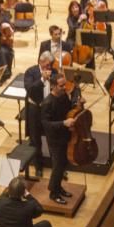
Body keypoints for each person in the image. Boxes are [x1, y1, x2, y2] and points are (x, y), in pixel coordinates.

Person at [41, 73, 78, 204]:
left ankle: (58, 187)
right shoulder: (47, 103)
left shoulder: (63, 97)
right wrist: (63, 123)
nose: (64, 87)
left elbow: (69, 110)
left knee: (63, 164)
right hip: (55, 140)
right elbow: (46, 125)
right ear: (53, 86)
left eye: (65, 84)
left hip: (65, 135)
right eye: (61, 85)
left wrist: (77, 104)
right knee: (57, 166)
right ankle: (53, 193)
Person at [24, 52, 55, 179]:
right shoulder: (31, 72)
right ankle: (38, 167)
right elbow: (30, 89)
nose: (49, 67)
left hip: (49, 110)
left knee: (52, 139)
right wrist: (42, 79)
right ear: (41, 62)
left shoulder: (53, 70)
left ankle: (57, 166)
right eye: (47, 64)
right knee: (36, 140)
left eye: (51, 65)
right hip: (35, 110)